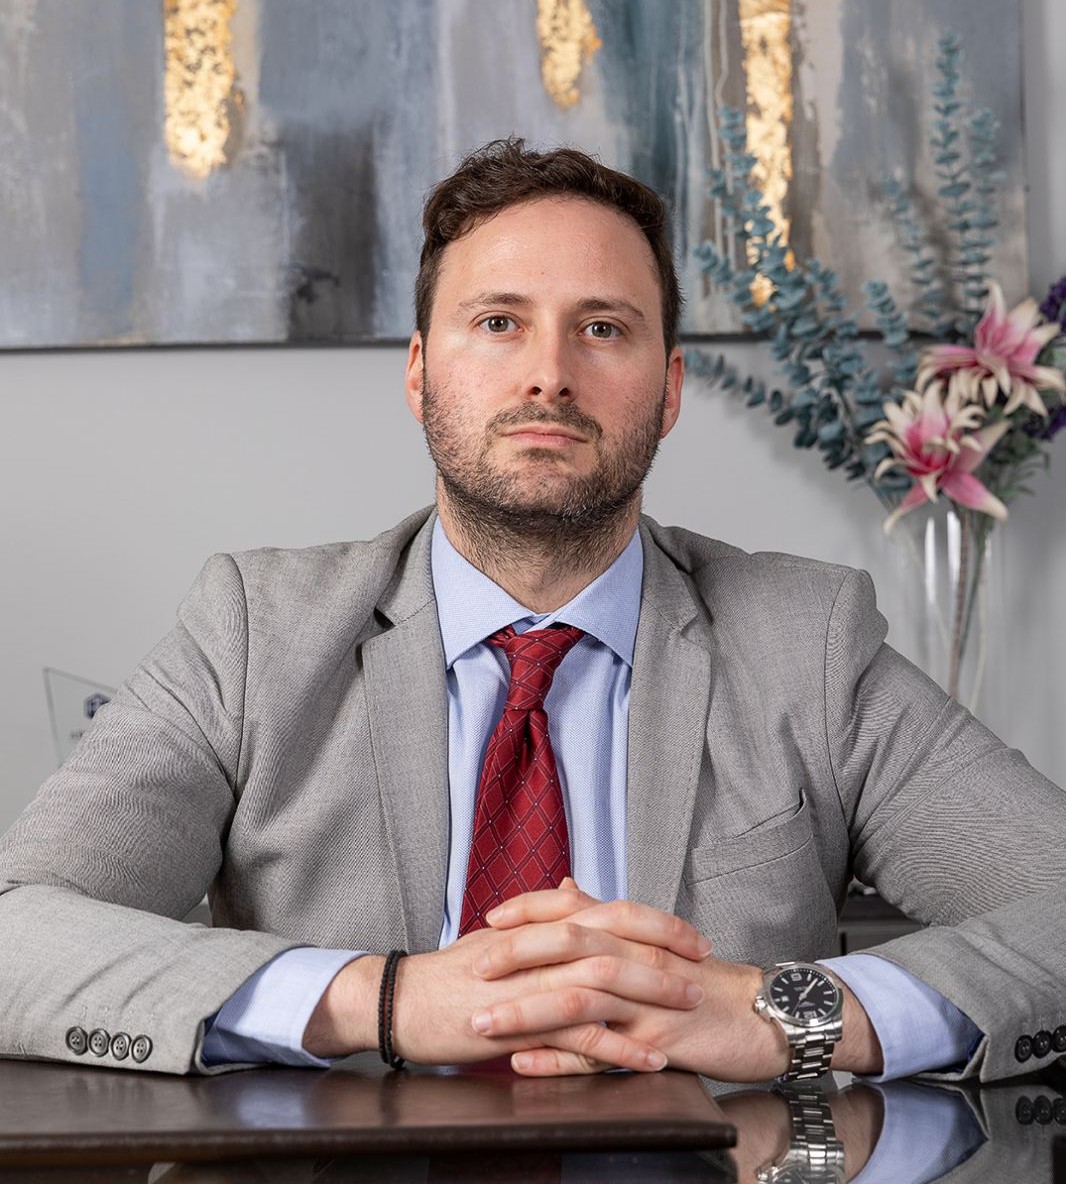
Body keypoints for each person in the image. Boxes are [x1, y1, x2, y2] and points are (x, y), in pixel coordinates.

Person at [1, 139, 1063, 1086]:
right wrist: (383, 999)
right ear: (420, 375)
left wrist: (788, 1016)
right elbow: (18, 930)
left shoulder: (808, 642)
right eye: (498, 322)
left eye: (601, 328)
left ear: (670, 388)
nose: (548, 376)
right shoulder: (252, 631)